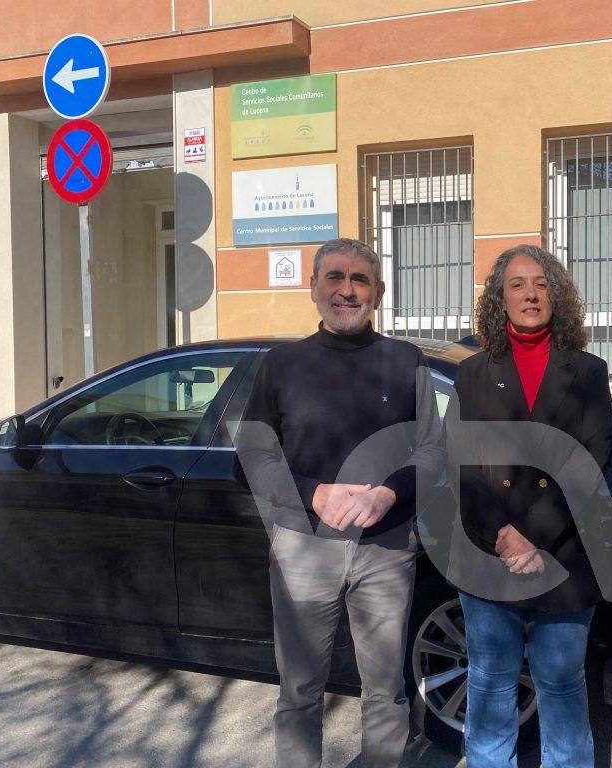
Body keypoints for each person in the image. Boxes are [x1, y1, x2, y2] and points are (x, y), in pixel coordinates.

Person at [236, 238, 444, 768]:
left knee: (385, 691)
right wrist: (315, 493)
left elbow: (434, 451)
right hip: (304, 547)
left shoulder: (406, 361)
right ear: (313, 287)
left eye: (359, 280)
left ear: (379, 291)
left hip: (385, 548)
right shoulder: (282, 364)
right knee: (299, 691)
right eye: (334, 277)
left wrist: (391, 492)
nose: (346, 290)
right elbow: (252, 457)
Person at [450, 244, 612, 767]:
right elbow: (462, 466)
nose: (531, 294)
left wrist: (534, 535)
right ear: (500, 299)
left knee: (562, 684)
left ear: (557, 296)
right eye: (517, 284)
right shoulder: (472, 373)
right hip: (488, 551)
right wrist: (503, 536)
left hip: (564, 551)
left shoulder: (589, 372)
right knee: (490, 681)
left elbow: (590, 461)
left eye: (542, 284)